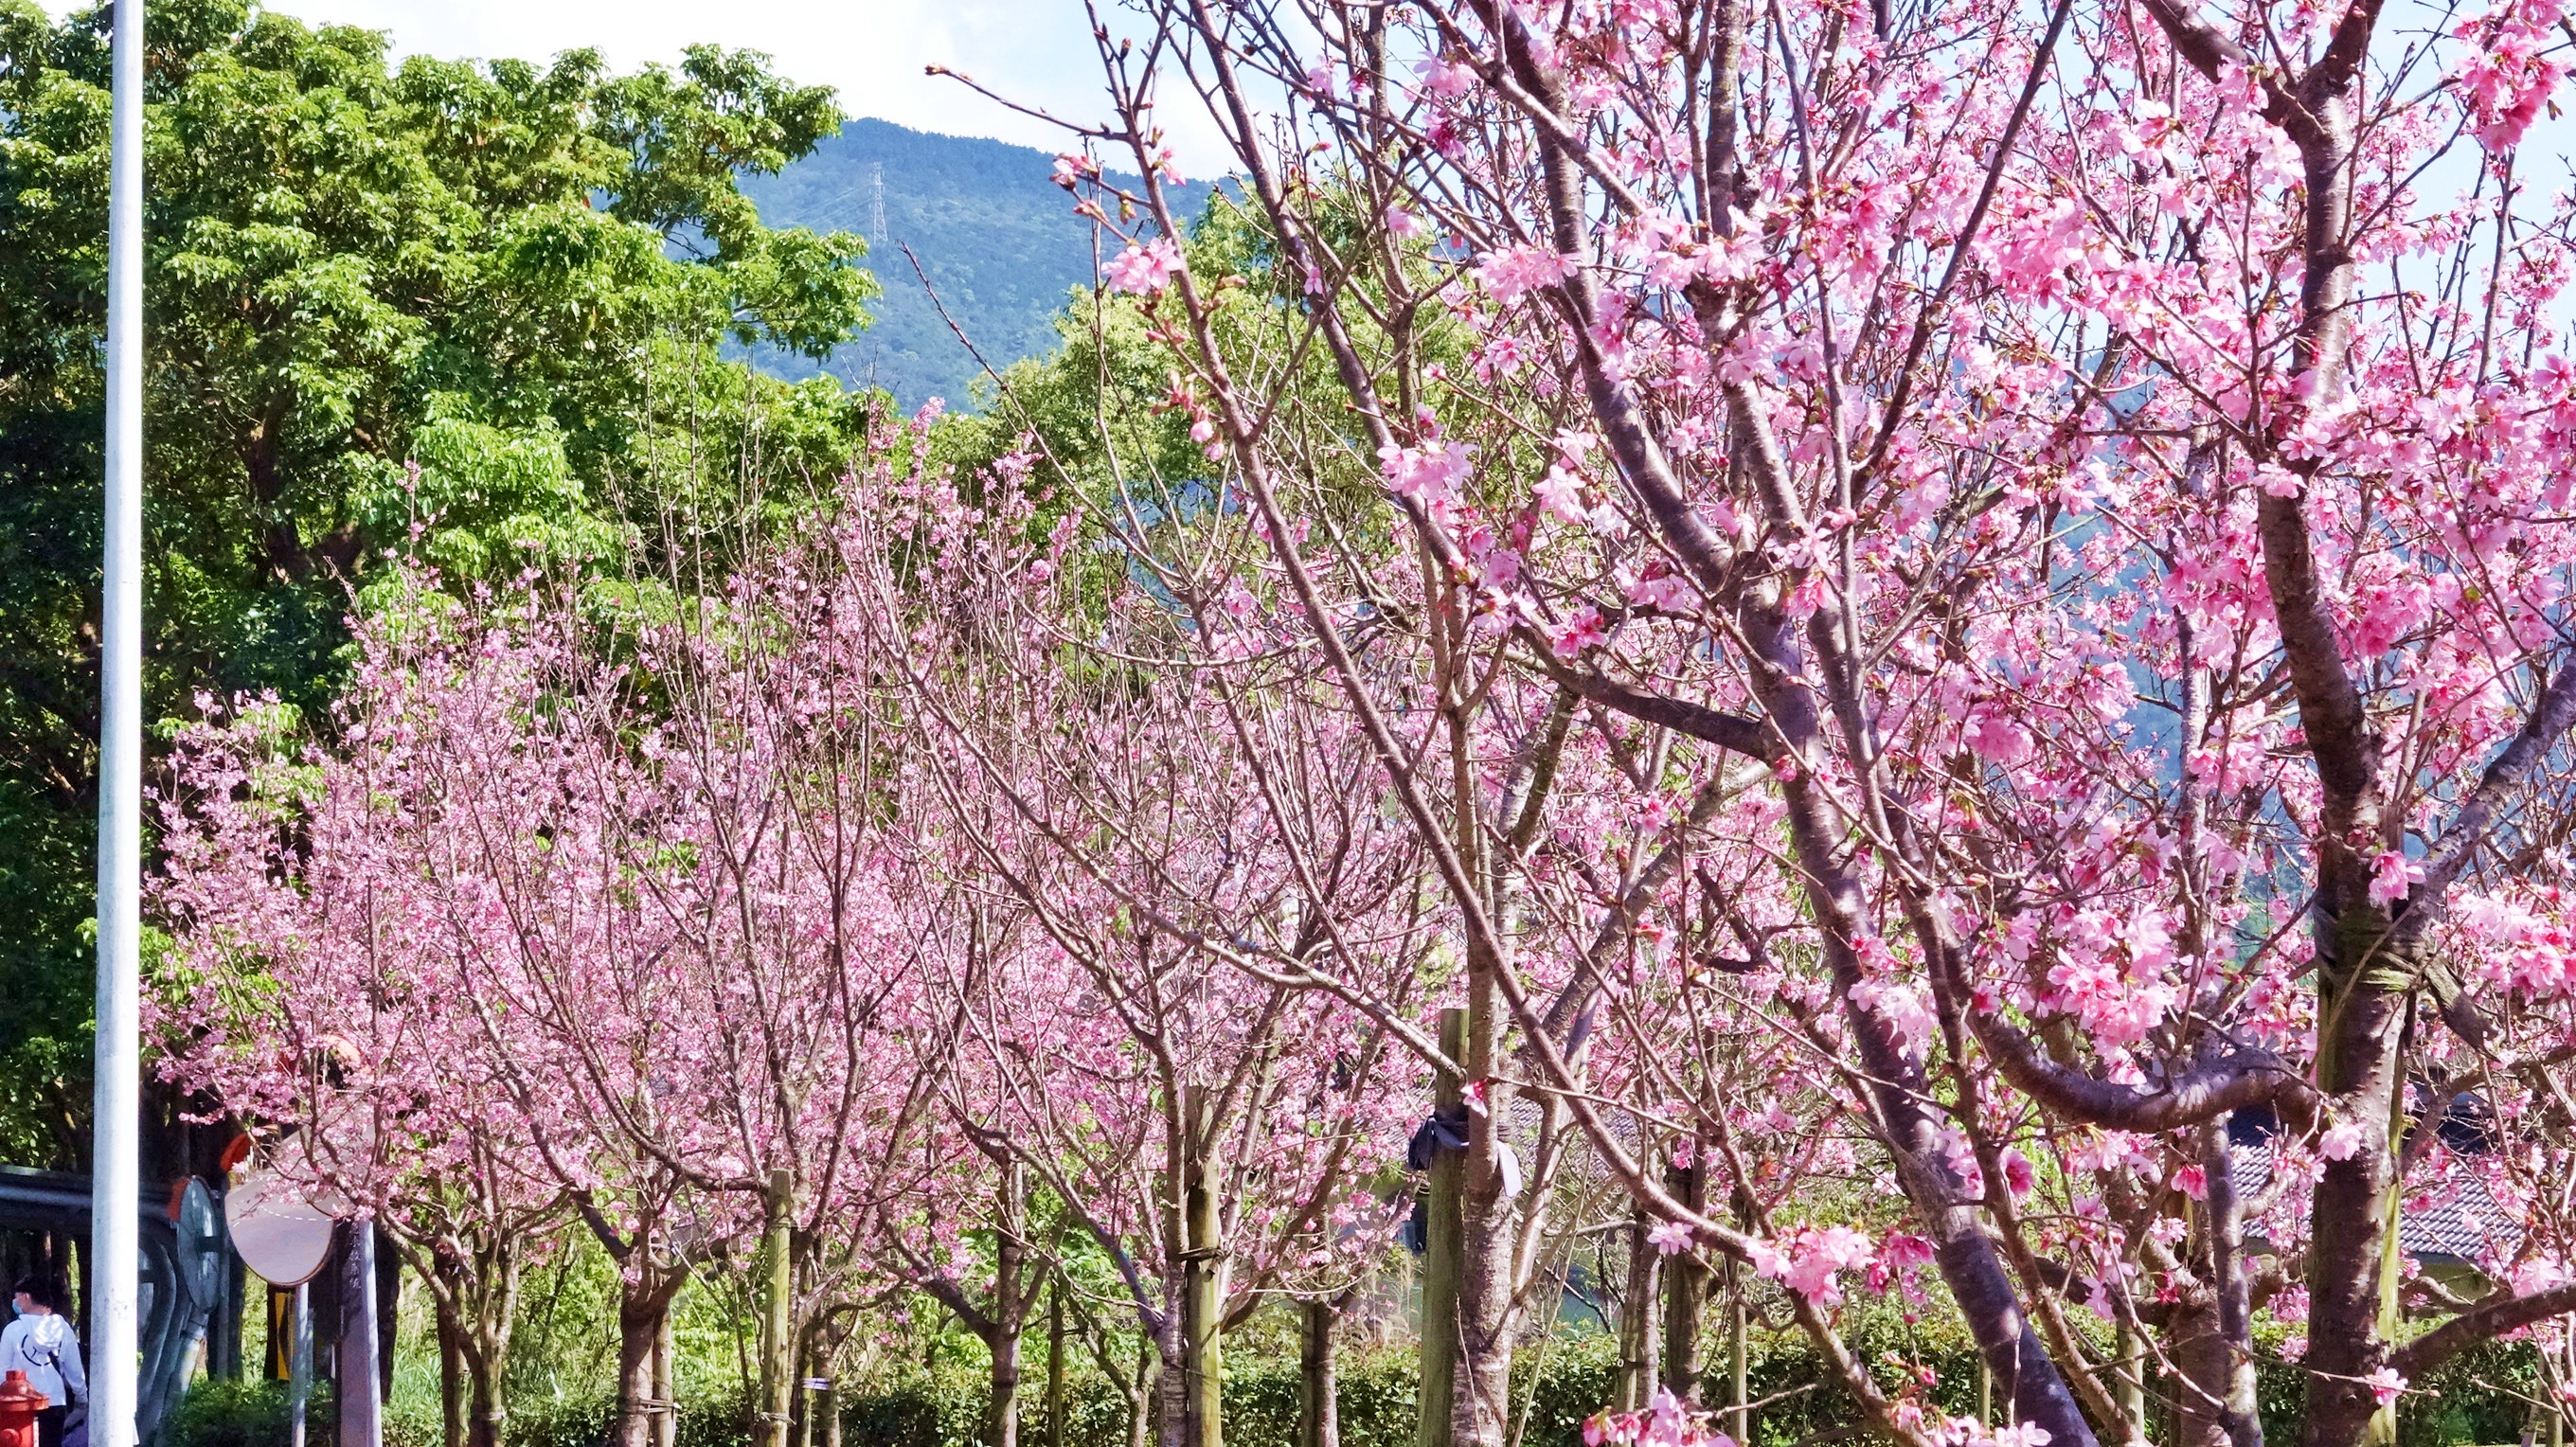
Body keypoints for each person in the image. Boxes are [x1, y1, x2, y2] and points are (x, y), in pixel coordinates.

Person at [1, 1275, 85, 1447]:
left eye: (16, 1297)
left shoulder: (12, 1330)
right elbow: (74, 1369)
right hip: (55, 1402)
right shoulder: (62, 1328)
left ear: (26, 1297)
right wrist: (81, 1397)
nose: (14, 1301)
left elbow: (2, 1370)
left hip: (19, 1406)